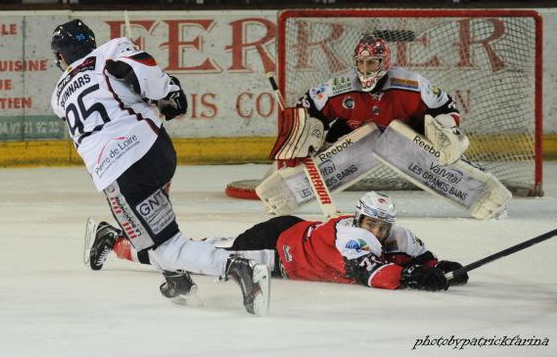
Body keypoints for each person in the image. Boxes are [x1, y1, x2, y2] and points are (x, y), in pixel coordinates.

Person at [50, 19, 270, 315]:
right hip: (157, 150)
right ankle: (177, 280)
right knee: (155, 225)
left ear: (61, 56)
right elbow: (144, 74)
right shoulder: (110, 51)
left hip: (121, 172)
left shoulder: (58, 96)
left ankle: (238, 268)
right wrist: (169, 93)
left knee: (164, 246)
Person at [259, 34, 510, 220]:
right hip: (355, 134)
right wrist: (306, 128)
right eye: (361, 63)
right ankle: (290, 189)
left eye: (372, 62)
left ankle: (481, 192)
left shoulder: (411, 84)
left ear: (385, 62)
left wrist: (445, 127)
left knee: (442, 149)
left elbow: (446, 107)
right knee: (327, 149)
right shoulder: (339, 86)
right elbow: (309, 106)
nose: (365, 69)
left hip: (406, 137)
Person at [89, 191, 468, 291]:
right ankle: (119, 243)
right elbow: (374, 275)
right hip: (275, 249)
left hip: (291, 234)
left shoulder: (397, 235)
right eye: (370, 223)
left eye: (381, 226)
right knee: (193, 258)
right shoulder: (354, 237)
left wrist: (438, 267)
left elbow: (420, 257)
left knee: (204, 247)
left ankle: (123, 240)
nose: (376, 231)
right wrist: (413, 277)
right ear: (359, 219)